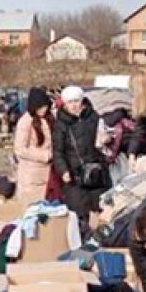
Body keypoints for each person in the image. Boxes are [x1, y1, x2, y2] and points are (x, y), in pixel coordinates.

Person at [52, 86, 109, 229]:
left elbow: (102, 140)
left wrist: (106, 140)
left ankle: (99, 241)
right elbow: (58, 151)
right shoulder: (60, 125)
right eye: (70, 102)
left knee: (100, 210)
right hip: (74, 176)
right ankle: (83, 244)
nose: (74, 105)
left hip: (96, 172)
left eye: (76, 101)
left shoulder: (94, 117)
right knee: (79, 215)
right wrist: (63, 170)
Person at [13, 87, 54, 200]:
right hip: (31, 174)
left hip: (49, 172)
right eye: (40, 107)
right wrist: (44, 155)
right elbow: (20, 149)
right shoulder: (25, 121)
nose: (44, 109)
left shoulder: (49, 119)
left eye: (45, 106)